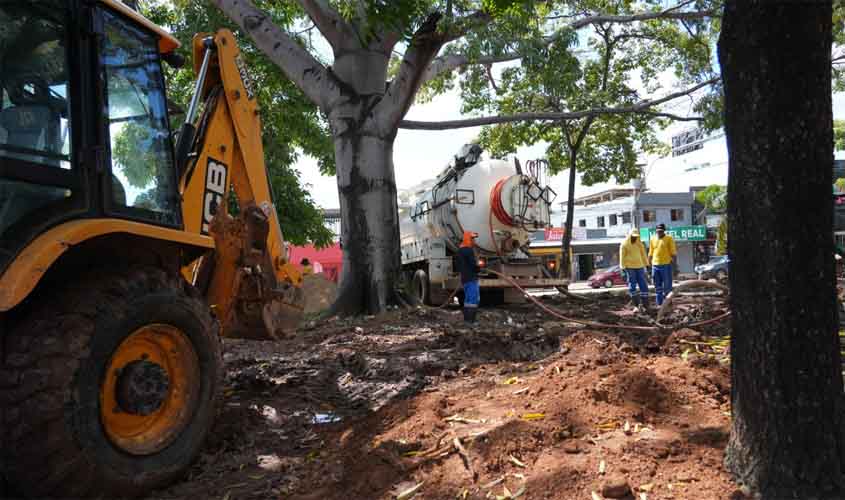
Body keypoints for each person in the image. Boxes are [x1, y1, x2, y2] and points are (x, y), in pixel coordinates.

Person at [619, 228, 649, 310]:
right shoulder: (624, 244)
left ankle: (645, 305)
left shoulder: (639, 244)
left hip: (640, 266)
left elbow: (643, 254)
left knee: (643, 285)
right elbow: (622, 257)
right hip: (630, 267)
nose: (634, 238)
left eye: (636, 237)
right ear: (630, 236)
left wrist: (647, 264)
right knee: (632, 286)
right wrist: (622, 268)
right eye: (633, 236)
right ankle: (636, 304)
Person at [648, 223, 677, 306]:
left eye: (661, 231)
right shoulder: (652, 239)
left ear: (664, 231)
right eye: (658, 231)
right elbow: (650, 253)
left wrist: (674, 267)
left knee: (667, 287)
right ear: (656, 231)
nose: (659, 233)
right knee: (658, 288)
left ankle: (668, 304)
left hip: (666, 265)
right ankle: (659, 305)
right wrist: (649, 266)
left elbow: (673, 253)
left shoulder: (669, 239)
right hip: (655, 266)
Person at [457, 231, 481, 324]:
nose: (474, 241)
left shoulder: (460, 250)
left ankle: (467, 320)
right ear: (468, 239)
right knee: (473, 299)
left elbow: (460, 265)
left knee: (468, 300)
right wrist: (478, 268)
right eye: (472, 239)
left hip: (465, 279)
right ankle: (471, 321)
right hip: (471, 278)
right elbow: (473, 264)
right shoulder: (468, 250)